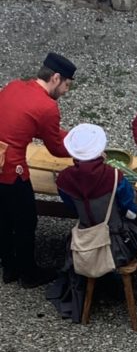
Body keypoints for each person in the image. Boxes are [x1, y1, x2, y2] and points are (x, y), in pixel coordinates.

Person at [48, 123, 137, 322]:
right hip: (118, 244)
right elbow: (130, 209)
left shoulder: (64, 180)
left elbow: (72, 207)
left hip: (84, 240)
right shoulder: (114, 176)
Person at [0, 51, 76, 287]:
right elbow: (55, 147)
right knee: (26, 220)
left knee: (3, 217)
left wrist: (72, 135)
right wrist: (80, 148)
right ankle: (29, 273)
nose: (65, 91)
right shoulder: (47, 106)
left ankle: (9, 267)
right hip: (12, 170)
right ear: (56, 78)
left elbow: (29, 126)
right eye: (66, 85)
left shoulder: (13, 86)